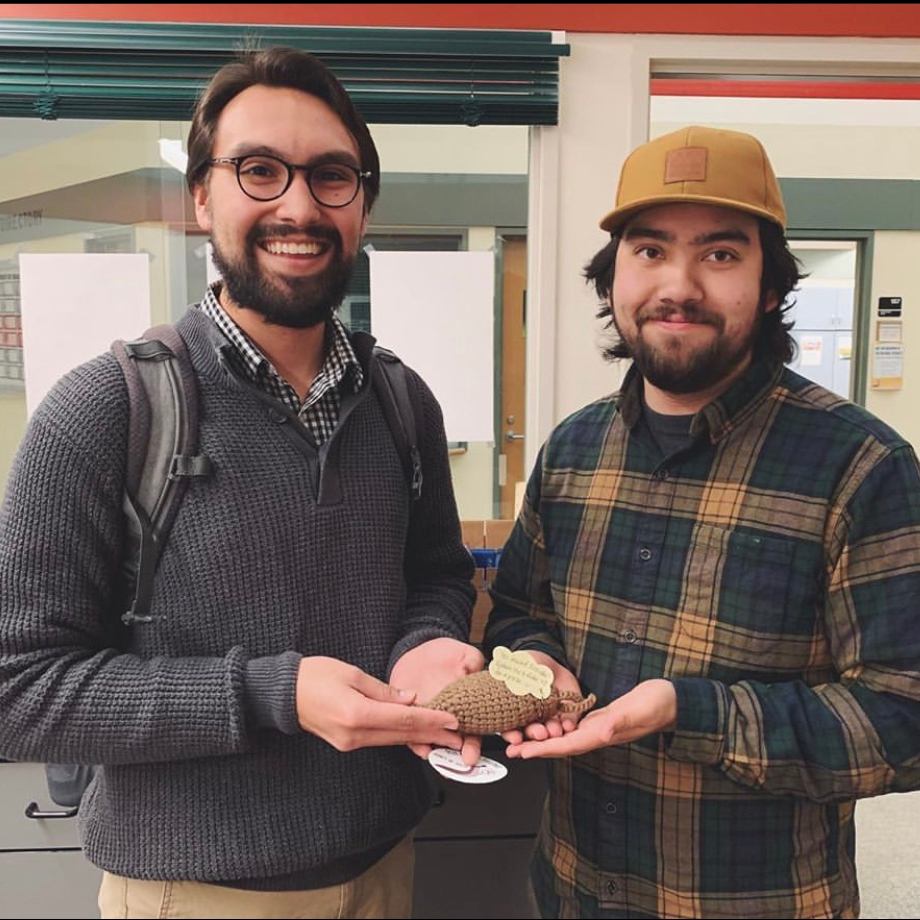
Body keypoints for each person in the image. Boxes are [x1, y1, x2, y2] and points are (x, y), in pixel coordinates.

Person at [0, 46, 485, 919]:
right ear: (201, 196)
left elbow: (438, 575)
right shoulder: (106, 409)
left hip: (386, 863)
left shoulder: (403, 402)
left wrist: (425, 640)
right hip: (190, 893)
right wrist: (273, 693)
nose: (298, 205)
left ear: (363, 203)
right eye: (259, 170)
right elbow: (18, 691)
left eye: (332, 176)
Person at [482, 125, 920, 919]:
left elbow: (904, 719)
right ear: (612, 276)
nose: (677, 285)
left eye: (720, 254)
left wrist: (692, 711)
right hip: (572, 890)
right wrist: (536, 666)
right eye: (649, 251)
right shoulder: (573, 450)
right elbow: (521, 612)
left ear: (772, 283)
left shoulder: (865, 468)